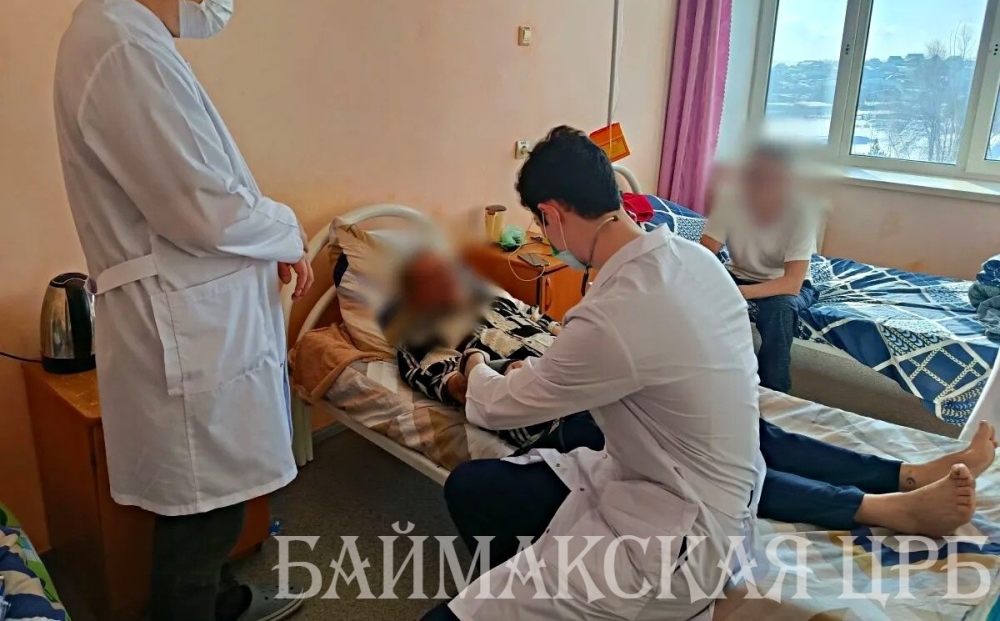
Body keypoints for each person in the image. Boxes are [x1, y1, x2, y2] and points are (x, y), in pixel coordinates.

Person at [52, 0, 311, 620]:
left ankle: (223, 603)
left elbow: (199, 191)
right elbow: (202, 206)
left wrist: (268, 239)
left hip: (194, 317)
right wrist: (287, 230)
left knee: (211, 510)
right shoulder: (119, 50)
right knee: (199, 523)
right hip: (183, 328)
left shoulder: (129, 41)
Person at [395, 254, 997, 538]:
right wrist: (474, 362)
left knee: (754, 434)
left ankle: (905, 473)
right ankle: (878, 507)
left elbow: (561, 334)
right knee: (717, 464)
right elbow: (456, 386)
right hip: (564, 417)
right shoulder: (421, 337)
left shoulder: (503, 304)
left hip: (601, 384)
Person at [423, 127, 767, 620]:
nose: (546, 240)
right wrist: (544, 370)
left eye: (541, 226)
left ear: (551, 215)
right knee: (473, 488)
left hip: (681, 538)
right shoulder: (693, 259)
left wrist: (474, 368)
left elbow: (499, 408)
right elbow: (605, 362)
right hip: (691, 483)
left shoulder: (615, 312)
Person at [383, 251, 605, 453]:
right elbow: (459, 388)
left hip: (584, 371)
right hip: (551, 412)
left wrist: (574, 337)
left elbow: (537, 317)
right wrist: (484, 365)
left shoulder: (492, 300)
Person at [700, 144, 819, 392]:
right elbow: (705, 252)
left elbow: (792, 283)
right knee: (698, 294)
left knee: (780, 309)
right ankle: (709, 374)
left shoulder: (801, 214)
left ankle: (774, 391)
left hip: (783, 285)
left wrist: (738, 293)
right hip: (738, 275)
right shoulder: (730, 202)